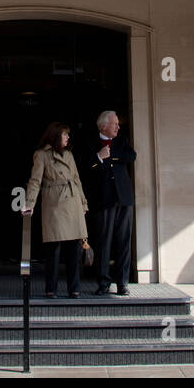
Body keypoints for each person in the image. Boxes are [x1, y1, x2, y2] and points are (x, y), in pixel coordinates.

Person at [22, 122, 90, 298]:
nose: (67, 138)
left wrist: (83, 203)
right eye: (64, 134)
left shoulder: (69, 155)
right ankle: (50, 288)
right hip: (55, 205)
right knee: (53, 249)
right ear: (55, 136)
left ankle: (74, 288)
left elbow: (76, 179)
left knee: (74, 250)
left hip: (72, 203)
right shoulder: (42, 155)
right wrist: (30, 203)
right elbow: (35, 181)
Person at [89, 110, 136, 296]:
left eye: (118, 123)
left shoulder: (121, 140)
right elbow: (88, 167)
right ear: (103, 126)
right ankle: (103, 283)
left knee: (124, 241)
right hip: (103, 199)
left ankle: (122, 283)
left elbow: (131, 156)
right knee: (103, 242)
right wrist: (99, 157)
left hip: (124, 197)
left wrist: (111, 157)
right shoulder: (91, 143)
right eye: (114, 123)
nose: (118, 126)